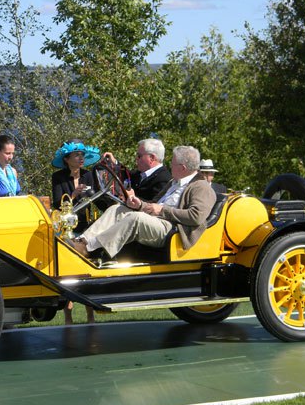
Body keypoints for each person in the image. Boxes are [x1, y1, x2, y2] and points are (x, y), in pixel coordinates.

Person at [69, 146, 216, 259]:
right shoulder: (174, 183)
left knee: (136, 218)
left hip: (171, 229)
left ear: (183, 168)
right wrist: (139, 205)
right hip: (155, 220)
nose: (170, 165)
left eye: (173, 163)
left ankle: (90, 250)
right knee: (118, 209)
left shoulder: (201, 187)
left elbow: (196, 216)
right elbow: (154, 204)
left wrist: (162, 211)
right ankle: (81, 241)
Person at [51, 138, 100, 325]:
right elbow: (57, 204)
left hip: (86, 226)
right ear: (66, 158)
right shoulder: (59, 178)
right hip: (67, 229)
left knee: (86, 270)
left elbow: (96, 198)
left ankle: (90, 314)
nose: (81, 158)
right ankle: (68, 316)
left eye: (82, 154)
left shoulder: (88, 175)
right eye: (77, 154)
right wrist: (73, 195)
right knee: (69, 272)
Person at [102, 138, 172, 202]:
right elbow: (127, 174)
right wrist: (115, 162)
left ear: (152, 158)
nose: (136, 158)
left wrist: (132, 197)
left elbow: (155, 206)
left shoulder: (164, 179)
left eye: (139, 156)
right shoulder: (142, 174)